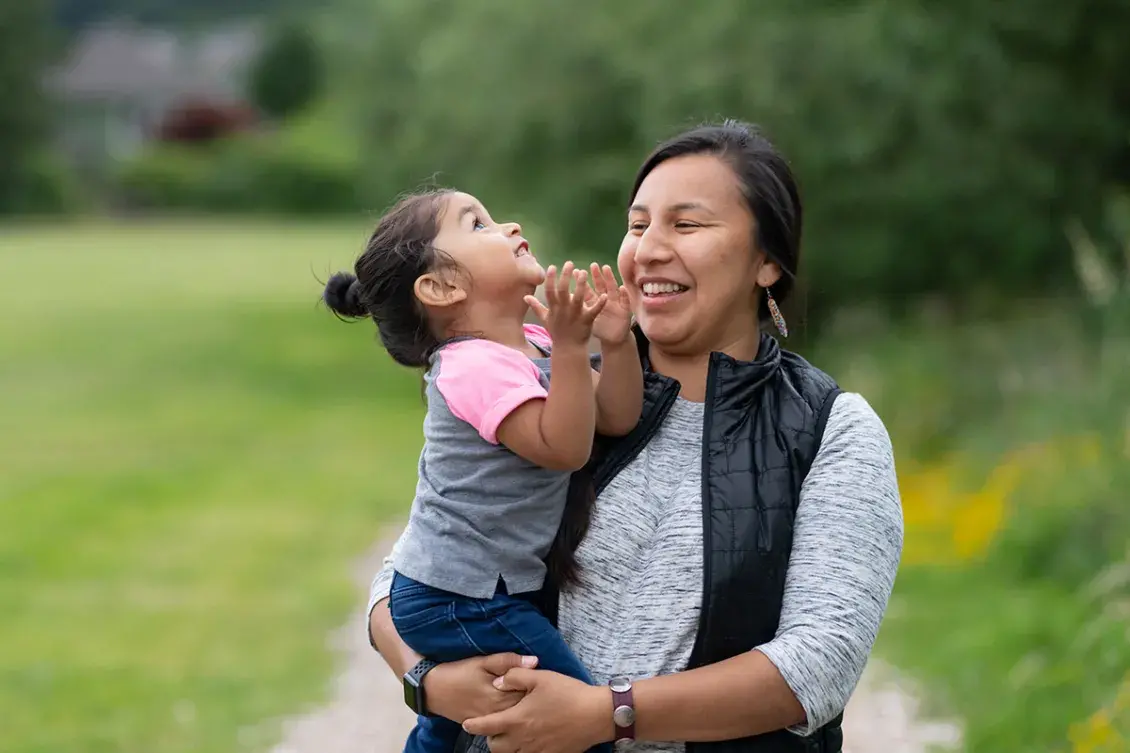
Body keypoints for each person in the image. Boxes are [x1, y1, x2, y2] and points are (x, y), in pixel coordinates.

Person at [367, 120, 905, 753]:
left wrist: (607, 714)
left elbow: (818, 666)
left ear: (766, 262)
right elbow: (410, 570)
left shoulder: (831, 429)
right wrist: (428, 683)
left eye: (687, 224)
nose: (649, 248)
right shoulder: (564, 390)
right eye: (639, 224)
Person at [323, 189, 642, 753]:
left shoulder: (536, 343)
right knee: (573, 715)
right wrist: (573, 350)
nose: (508, 223)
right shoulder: (470, 366)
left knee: (451, 727)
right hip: (457, 596)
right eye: (477, 224)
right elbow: (563, 447)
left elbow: (614, 417)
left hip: (477, 590)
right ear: (442, 287)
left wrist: (614, 346)